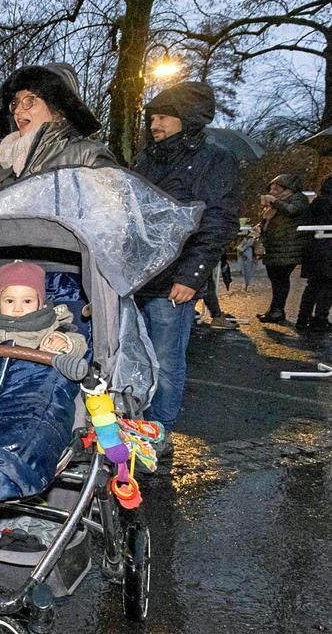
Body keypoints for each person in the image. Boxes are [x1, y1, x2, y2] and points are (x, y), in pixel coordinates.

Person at [131, 81, 239, 442]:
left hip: (173, 282)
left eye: (163, 117)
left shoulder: (215, 159)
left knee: (165, 361)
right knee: (133, 355)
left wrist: (192, 275)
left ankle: (157, 431)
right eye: (152, 118)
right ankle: (132, 422)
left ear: (186, 119)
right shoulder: (146, 157)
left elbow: (219, 221)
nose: (155, 124)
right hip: (135, 279)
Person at [0, 62, 117, 191]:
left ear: (57, 109)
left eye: (29, 100)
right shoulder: (6, 166)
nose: (17, 110)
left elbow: (114, 208)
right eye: (14, 103)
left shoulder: (86, 156)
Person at [254, 174, 310, 324]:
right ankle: (275, 310)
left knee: (281, 279)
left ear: (287, 189)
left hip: (288, 247)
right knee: (276, 279)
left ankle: (277, 311)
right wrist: (261, 226)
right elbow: (267, 220)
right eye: (271, 189)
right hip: (274, 247)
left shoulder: (298, 198)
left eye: (276, 188)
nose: (272, 191)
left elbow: (292, 211)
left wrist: (275, 202)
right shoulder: (277, 203)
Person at [297, 173, 332, 333]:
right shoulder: (327, 203)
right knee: (328, 286)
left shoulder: (319, 201)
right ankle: (320, 319)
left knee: (314, 285)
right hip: (327, 249)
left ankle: (303, 318)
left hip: (313, 249)